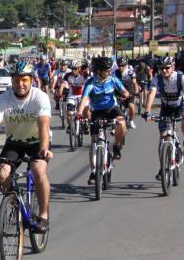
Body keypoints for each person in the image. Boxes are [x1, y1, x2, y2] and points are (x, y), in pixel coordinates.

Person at [0, 61, 52, 232]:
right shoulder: (3, 99)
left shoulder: (40, 97)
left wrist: (44, 148)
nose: (20, 84)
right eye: (16, 80)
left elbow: (43, 125)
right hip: (14, 142)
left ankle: (43, 214)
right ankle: (14, 201)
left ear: (31, 80)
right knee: (1, 174)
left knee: (38, 170)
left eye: (24, 80)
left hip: (37, 142)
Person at [77, 56, 130, 184]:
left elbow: (125, 91)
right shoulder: (91, 82)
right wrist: (79, 113)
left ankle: (117, 146)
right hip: (97, 112)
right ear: (98, 71)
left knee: (122, 123)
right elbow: (84, 99)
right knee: (94, 141)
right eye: (106, 70)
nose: (109, 72)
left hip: (112, 109)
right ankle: (93, 171)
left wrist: (125, 95)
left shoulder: (112, 79)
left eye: (109, 70)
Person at [142, 55, 184, 180]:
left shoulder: (181, 78)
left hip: (181, 106)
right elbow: (152, 94)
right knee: (163, 138)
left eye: (167, 68)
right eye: (161, 68)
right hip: (166, 108)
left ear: (172, 67)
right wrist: (147, 111)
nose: (164, 71)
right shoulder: (157, 78)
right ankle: (163, 168)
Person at [60, 60, 89, 128]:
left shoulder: (84, 75)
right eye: (72, 68)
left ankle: (86, 122)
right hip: (72, 95)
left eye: (75, 69)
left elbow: (90, 84)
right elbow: (63, 84)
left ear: (79, 68)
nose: (73, 70)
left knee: (86, 112)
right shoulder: (68, 75)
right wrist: (60, 92)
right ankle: (70, 125)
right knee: (69, 112)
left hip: (83, 96)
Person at [114, 56, 139, 129]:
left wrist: (136, 91)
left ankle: (131, 120)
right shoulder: (114, 73)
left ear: (126, 65)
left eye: (122, 66)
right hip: (118, 91)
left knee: (131, 106)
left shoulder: (130, 72)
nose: (120, 67)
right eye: (119, 66)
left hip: (129, 90)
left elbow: (134, 83)